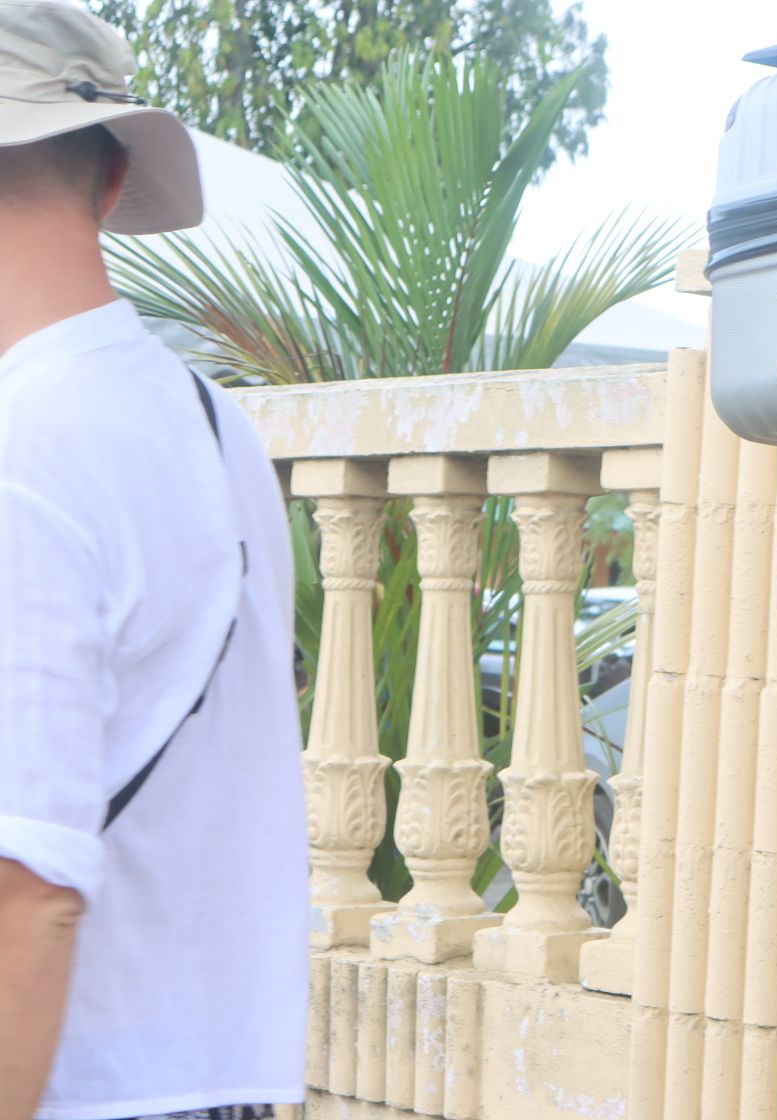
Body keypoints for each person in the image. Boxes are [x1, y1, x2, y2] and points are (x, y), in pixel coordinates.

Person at [0, 3, 307, 1118]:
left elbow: (25, 890)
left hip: (73, 1085)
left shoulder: (23, 451)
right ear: (115, 180)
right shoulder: (214, 423)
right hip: (211, 1072)